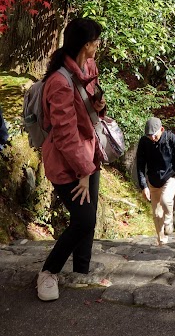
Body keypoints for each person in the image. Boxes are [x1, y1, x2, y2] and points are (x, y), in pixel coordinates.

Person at [37, 17, 107, 303]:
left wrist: (98, 106)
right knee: (83, 219)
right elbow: (65, 135)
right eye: (97, 41)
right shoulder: (58, 83)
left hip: (89, 154)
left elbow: (89, 105)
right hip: (67, 163)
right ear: (86, 44)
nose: (99, 45)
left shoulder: (88, 66)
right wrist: (83, 171)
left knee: (88, 220)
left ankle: (81, 272)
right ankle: (48, 272)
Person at [136, 117, 175, 246]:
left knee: (165, 200)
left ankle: (169, 220)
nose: (152, 138)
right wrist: (144, 186)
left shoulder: (171, 139)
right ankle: (161, 240)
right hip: (153, 181)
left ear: (162, 129)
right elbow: (140, 165)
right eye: (149, 136)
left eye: (154, 135)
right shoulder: (144, 142)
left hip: (169, 177)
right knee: (157, 214)